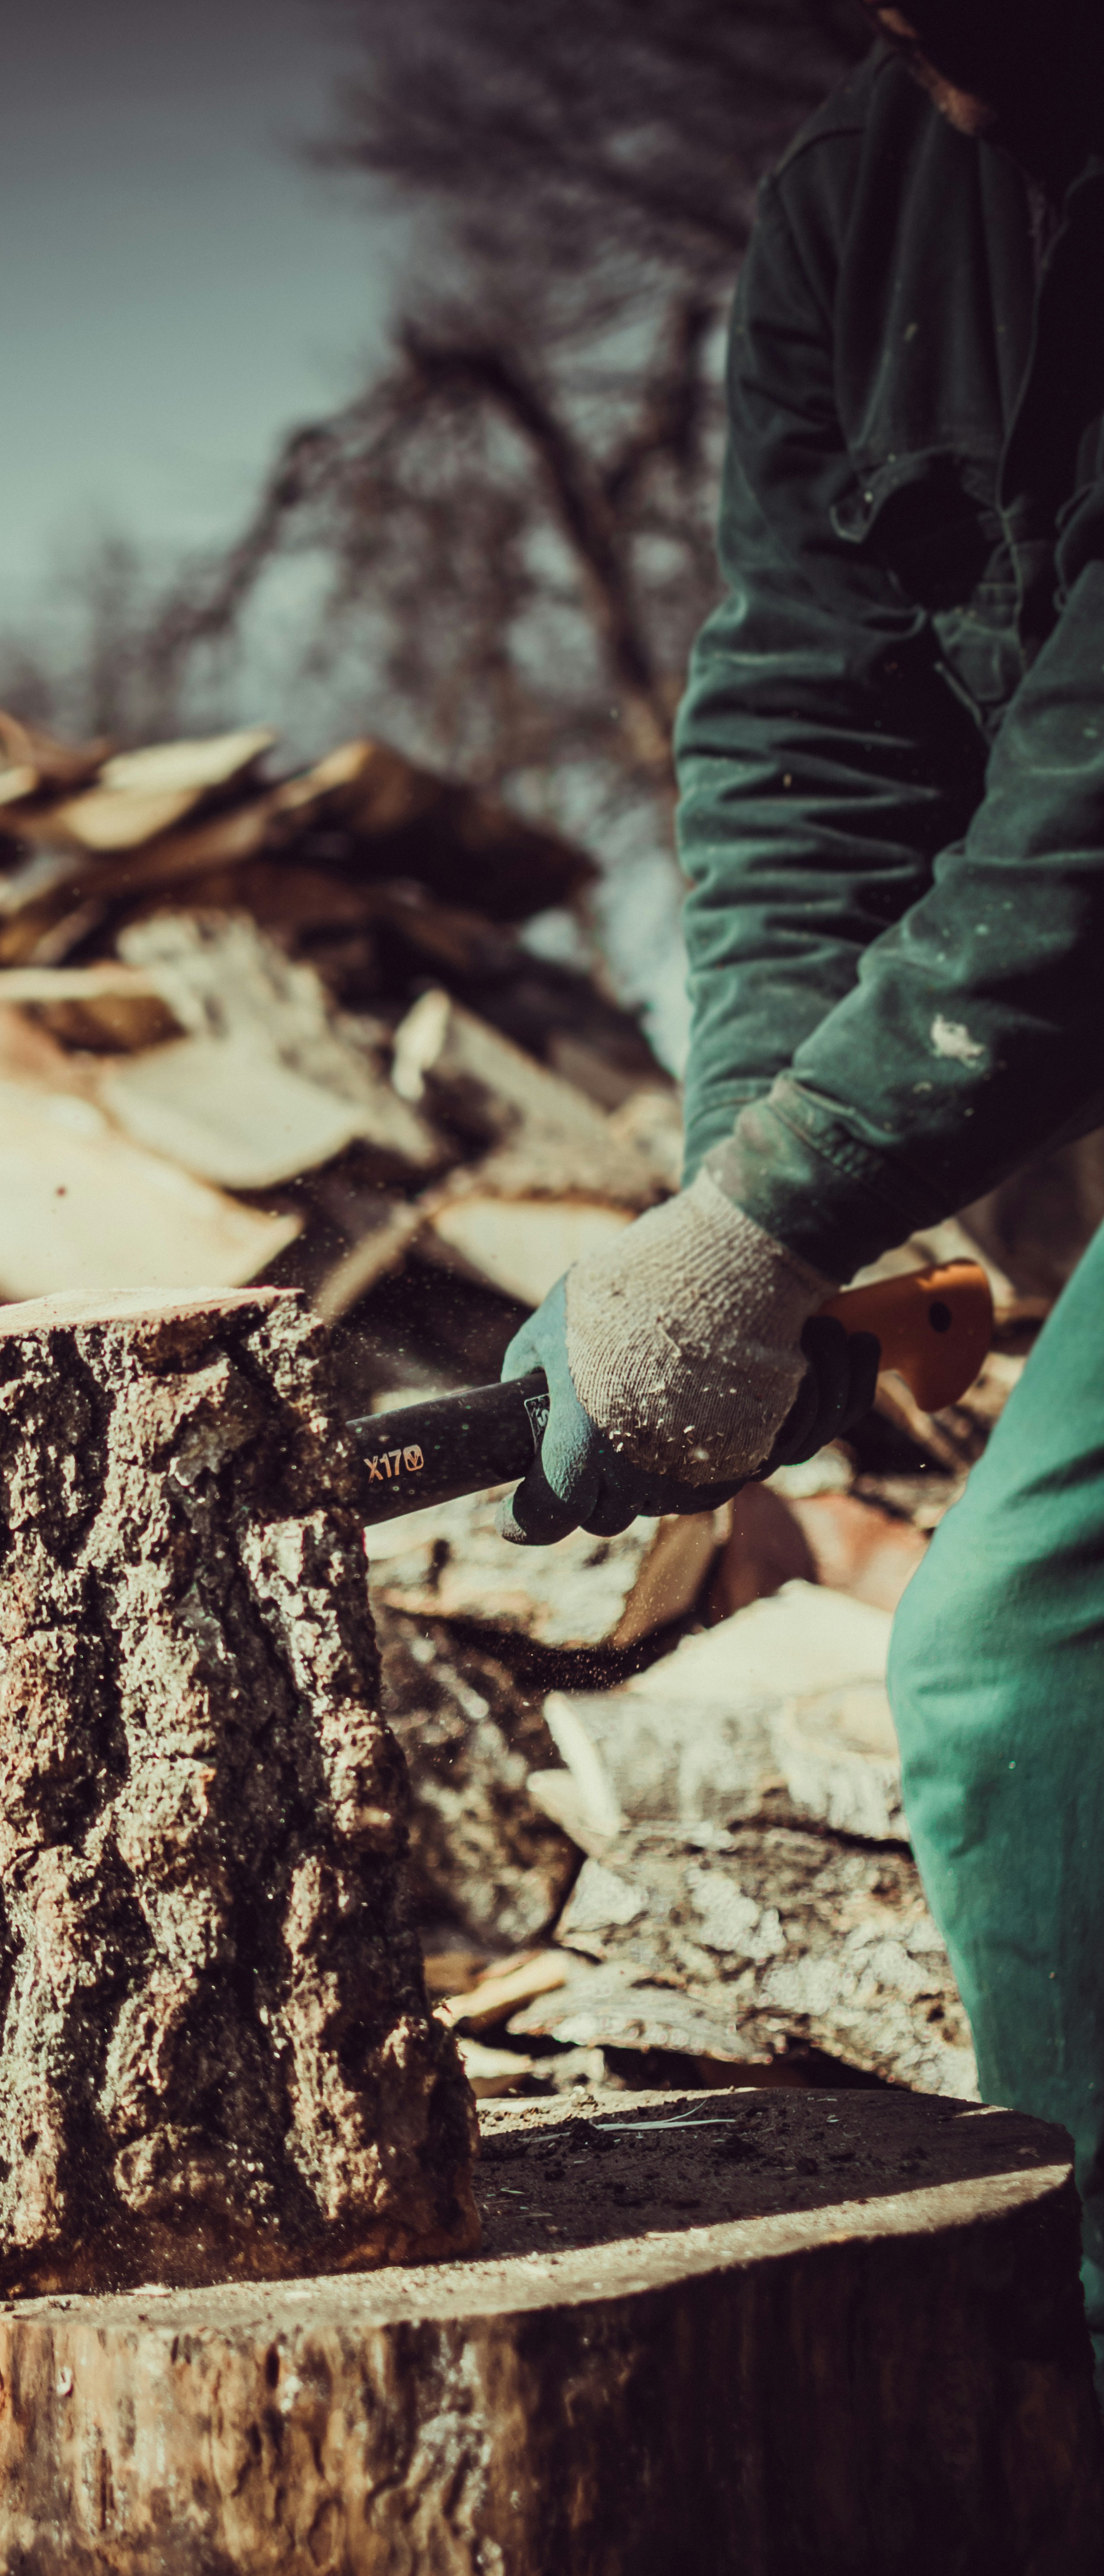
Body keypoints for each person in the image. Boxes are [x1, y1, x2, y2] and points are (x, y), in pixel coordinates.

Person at [501, 0, 1104, 2381]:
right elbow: (808, 736)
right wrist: (747, 1211)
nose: (942, 46)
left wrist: (774, 1224)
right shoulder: (860, 205)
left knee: (1027, 1669)